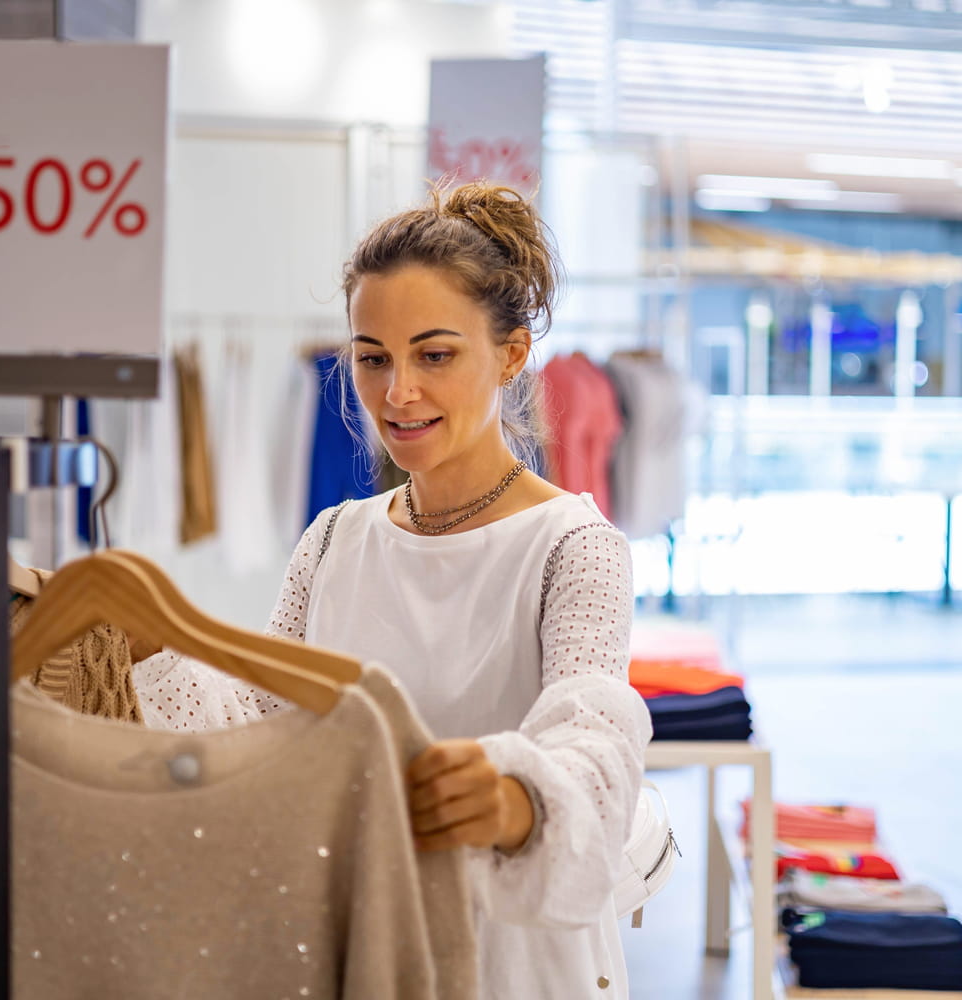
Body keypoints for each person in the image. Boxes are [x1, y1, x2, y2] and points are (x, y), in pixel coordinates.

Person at [139, 182, 651, 999]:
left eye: (434, 355)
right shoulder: (336, 537)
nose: (397, 392)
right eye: (373, 357)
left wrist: (517, 797)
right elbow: (266, 717)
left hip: (511, 963)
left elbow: (594, 740)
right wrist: (144, 649)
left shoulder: (574, 546)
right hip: (359, 942)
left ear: (513, 353)